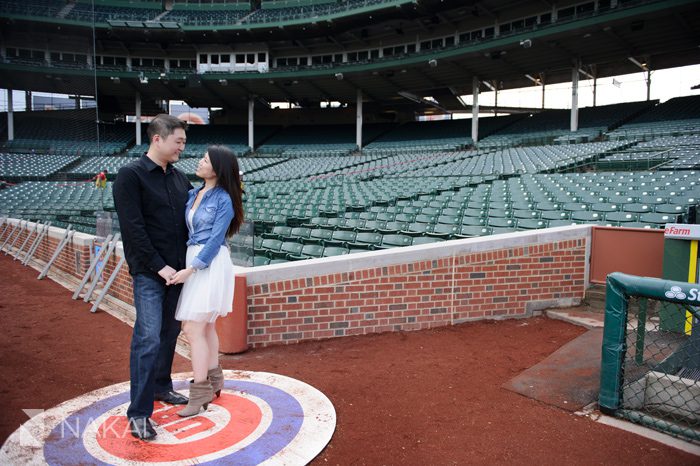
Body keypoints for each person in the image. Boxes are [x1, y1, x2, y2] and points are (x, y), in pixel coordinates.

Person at [113, 114, 192, 441]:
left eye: (184, 143)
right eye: (178, 142)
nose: (182, 148)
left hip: (178, 274)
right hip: (151, 273)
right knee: (147, 339)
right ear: (157, 139)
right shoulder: (129, 176)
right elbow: (133, 230)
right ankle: (139, 413)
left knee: (170, 333)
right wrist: (160, 267)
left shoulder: (179, 177)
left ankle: (162, 386)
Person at [168, 145, 244, 417]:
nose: (199, 162)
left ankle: (199, 393)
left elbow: (215, 239)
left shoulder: (224, 199)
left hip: (209, 263)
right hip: (195, 259)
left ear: (217, 169)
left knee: (192, 327)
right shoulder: (193, 194)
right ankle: (215, 381)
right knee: (206, 325)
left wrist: (192, 268)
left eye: (205, 160)